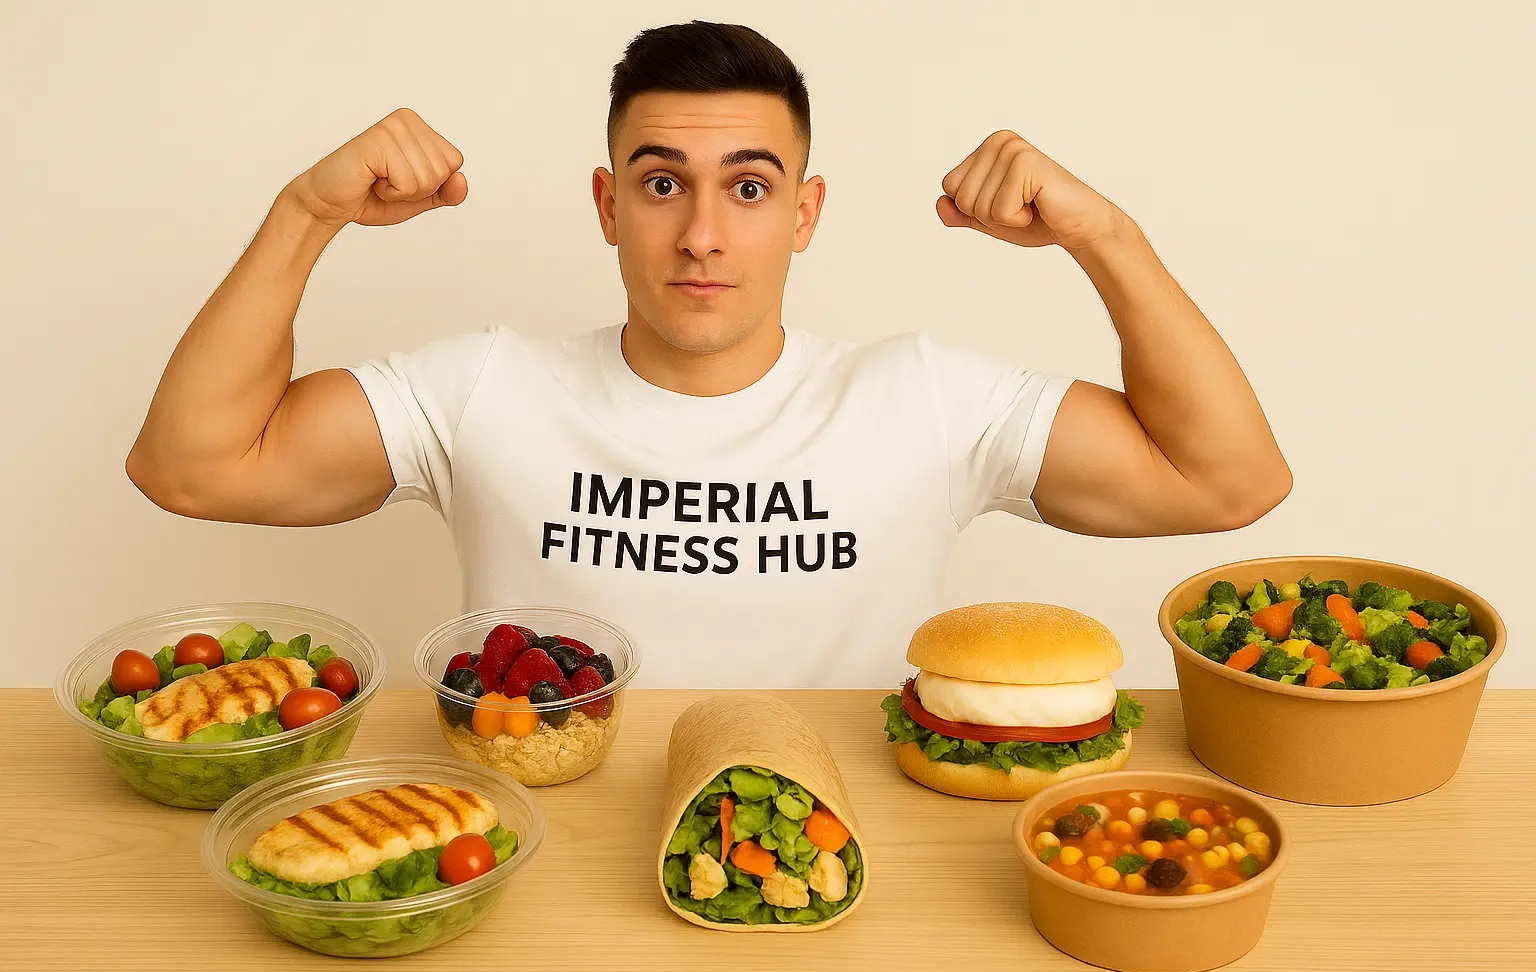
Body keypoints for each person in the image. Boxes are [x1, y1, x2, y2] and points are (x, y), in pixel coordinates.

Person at [126, 22, 1291, 689]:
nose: (702, 234)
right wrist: (302, 212)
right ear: (607, 203)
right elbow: (195, 465)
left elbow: (1228, 482)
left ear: (806, 212)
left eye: (748, 186)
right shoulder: (485, 389)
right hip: (542, 860)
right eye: (662, 182)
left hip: (841, 864)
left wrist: (1105, 234)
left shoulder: (922, 398)